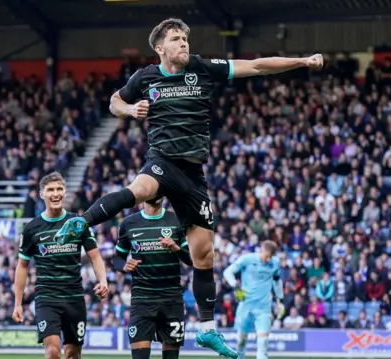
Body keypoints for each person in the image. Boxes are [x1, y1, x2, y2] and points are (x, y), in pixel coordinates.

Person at [53, 17, 323, 356]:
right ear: (159, 47)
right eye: (176, 39)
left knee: (204, 255)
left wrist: (301, 61)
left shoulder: (201, 68)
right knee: (139, 189)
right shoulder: (145, 77)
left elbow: (255, 66)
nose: (184, 43)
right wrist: (129, 109)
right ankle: (82, 221)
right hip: (162, 162)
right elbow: (114, 102)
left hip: (194, 174)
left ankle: (208, 329)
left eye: (185, 38)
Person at [11, 172, 110, 359]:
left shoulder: (78, 223)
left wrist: (103, 281)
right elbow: (22, 266)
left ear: (65, 192)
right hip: (47, 298)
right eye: (50, 190)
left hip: (74, 298)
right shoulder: (32, 228)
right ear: (42, 194)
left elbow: (95, 256)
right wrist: (18, 303)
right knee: (52, 352)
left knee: (73, 354)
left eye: (59, 189)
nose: (55, 193)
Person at [113, 198, 192, 359]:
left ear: (163, 194)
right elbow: (117, 259)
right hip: (142, 300)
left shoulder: (176, 220)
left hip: (171, 300)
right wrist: (124, 266)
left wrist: (176, 248)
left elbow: (191, 260)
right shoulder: (129, 223)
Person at [223, 241, 284, 359]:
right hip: (246, 306)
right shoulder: (247, 259)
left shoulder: (275, 263)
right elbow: (227, 272)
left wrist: (279, 300)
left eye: (271, 257)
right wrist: (236, 287)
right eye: (267, 256)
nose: (268, 259)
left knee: (263, 343)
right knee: (241, 342)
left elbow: (277, 281)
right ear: (261, 250)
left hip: (263, 308)